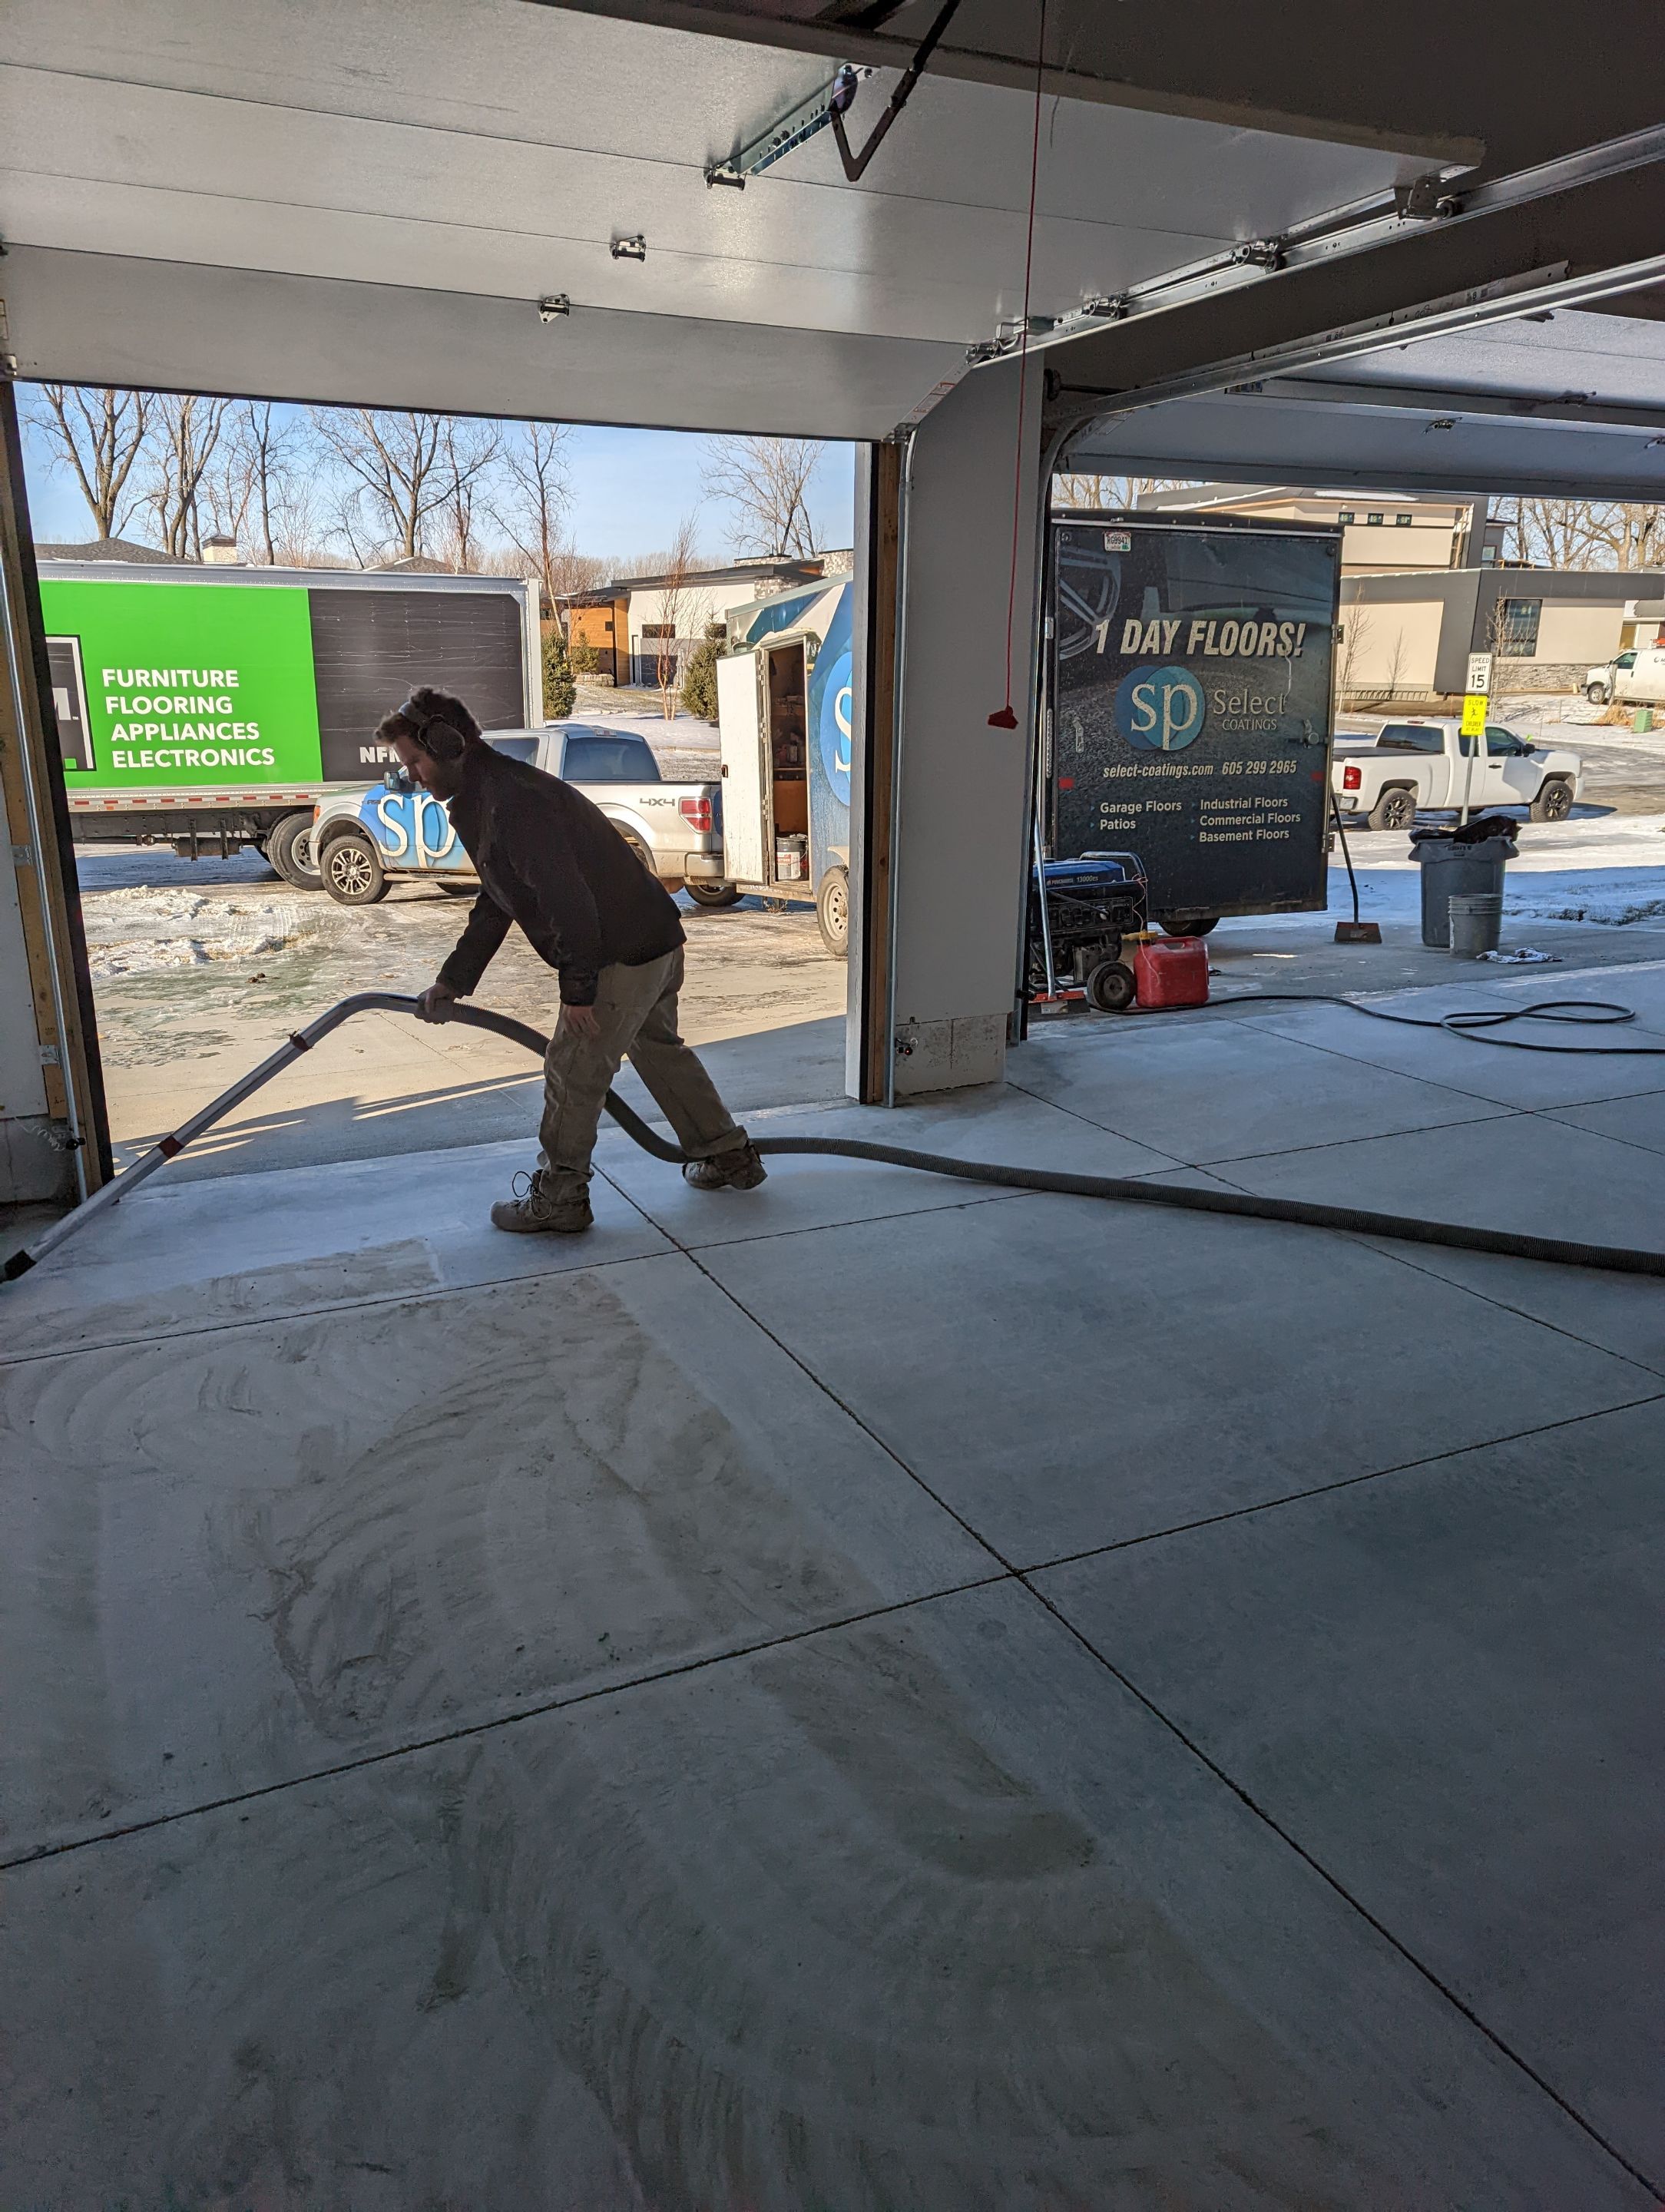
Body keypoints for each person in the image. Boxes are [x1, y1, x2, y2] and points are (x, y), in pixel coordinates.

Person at [381, 686, 764, 1235]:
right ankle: (730, 1157)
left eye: (415, 761)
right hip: (654, 940)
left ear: (447, 745)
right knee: (658, 1051)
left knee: (572, 1071)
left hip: (617, 954)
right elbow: (499, 899)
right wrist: (453, 981)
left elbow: (569, 902)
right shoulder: (491, 793)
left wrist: (579, 991)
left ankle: (560, 1197)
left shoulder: (510, 802)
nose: (413, 775)